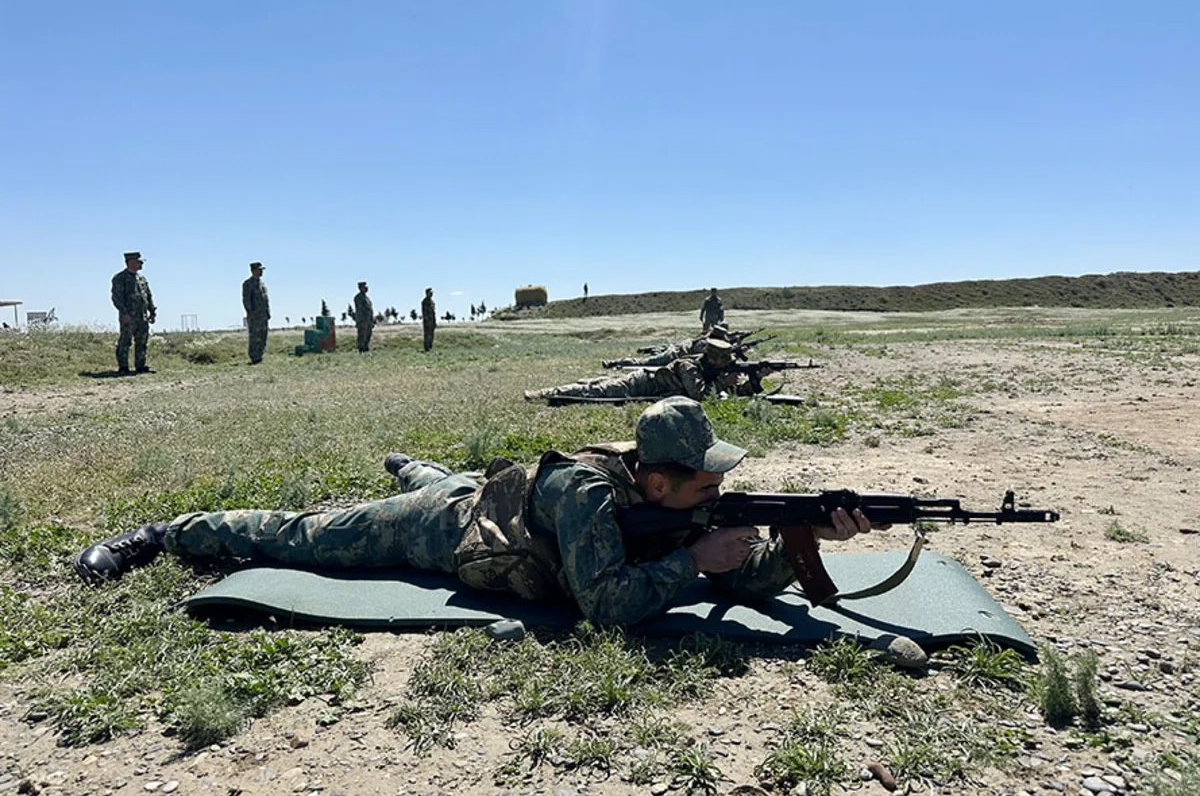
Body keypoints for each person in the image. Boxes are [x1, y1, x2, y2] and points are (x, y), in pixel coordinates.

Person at [72, 397, 883, 625]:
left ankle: (412, 466)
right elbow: (604, 606)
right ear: (657, 478)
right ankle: (164, 534)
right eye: (705, 484)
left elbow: (740, 586)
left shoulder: (674, 503)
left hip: (494, 501)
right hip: (448, 530)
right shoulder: (591, 492)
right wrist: (690, 567)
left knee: (446, 476)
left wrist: (802, 546)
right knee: (309, 538)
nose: (719, 493)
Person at [527, 338, 756, 404]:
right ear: (713, 360)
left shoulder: (712, 370)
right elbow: (700, 395)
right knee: (596, 393)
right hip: (642, 383)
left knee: (599, 386)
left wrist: (755, 380)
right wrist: (723, 383)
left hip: (654, 385)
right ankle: (545, 392)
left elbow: (736, 393)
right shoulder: (690, 366)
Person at [111, 251, 156, 374]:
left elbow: (148, 295)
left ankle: (140, 366)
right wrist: (124, 313)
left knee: (142, 341)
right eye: (139, 262)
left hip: (142, 316)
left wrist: (152, 311)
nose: (141, 264)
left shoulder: (142, 279)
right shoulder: (120, 278)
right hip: (129, 316)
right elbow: (117, 298)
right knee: (125, 341)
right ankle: (123, 367)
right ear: (130, 262)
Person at [603, 326, 730, 369]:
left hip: (674, 353)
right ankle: (613, 362)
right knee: (644, 363)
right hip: (672, 356)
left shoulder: (705, 342)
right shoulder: (705, 344)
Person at [241, 262, 270, 364]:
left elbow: (265, 300)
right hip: (255, 315)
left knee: (263, 336)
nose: (261, 272)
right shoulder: (248, 284)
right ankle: (254, 357)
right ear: (253, 271)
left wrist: (268, 312)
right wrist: (250, 312)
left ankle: (260, 355)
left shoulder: (261, 284)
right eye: (259, 269)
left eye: (262, 270)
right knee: (255, 336)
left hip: (263, 315)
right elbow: (246, 300)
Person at [353, 282, 374, 353]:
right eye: (364, 287)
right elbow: (360, 309)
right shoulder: (358, 297)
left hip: (368, 320)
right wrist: (361, 320)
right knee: (362, 335)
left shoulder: (367, 298)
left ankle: (366, 347)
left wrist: (371, 320)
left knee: (368, 334)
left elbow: (370, 310)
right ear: (360, 288)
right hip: (362, 319)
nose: (366, 288)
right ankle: (361, 349)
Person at [421, 287, 436, 352]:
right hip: (427, 321)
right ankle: (426, 348)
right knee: (427, 335)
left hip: (432, 321)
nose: (432, 294)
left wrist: (434, 321)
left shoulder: (432, 302)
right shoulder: (425, 302)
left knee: (432, 335)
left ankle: (430, 347)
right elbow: (424, 312)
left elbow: (433, 312)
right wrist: (427, 321)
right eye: (430, 293)